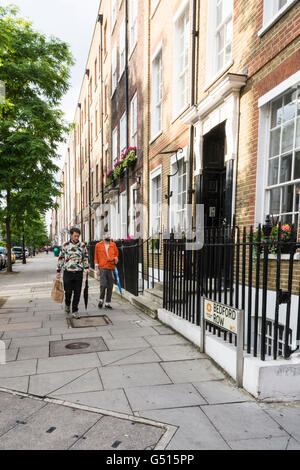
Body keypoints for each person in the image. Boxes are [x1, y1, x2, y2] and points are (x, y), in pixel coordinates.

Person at [56, 227, 89, 318]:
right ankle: (67, 304)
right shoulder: (65, 245)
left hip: (78, 272)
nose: (76, 238)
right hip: (68, 272)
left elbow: (85, 257)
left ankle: (75, 310)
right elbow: (61, 258)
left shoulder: (82, 245)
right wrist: (58, 270)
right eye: (75, 236)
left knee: (77, 292)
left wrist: (86, 267)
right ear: (71, 235)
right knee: (68, 292)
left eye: (78, 236)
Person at [94, 232, 118, 309]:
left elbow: (116, 255)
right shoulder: (98, 245)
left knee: (110, 286)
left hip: (111, 268)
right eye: (107, 235)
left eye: (109, 234)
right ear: (103, 236)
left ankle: (107, 303)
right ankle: (101, 300)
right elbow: (96, 257)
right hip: (102, 267)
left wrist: (116, 259)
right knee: (103, 285)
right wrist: (97, 269)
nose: (109, 236)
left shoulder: (113, 245)